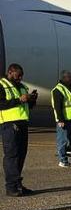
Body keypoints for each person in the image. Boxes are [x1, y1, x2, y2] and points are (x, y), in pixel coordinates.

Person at [0, 63, 37, 196]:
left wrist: (31, 99)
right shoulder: (2, 84)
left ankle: (18, 184)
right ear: (10, 72)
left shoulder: (22, 86)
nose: (20, 78)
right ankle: (11, 187)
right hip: (9, 124)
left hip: (22, 123)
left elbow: (27, 105)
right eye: (18, 75)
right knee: (12, 155)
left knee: (21, 154)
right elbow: (2, 104)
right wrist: (19, 100)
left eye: (21, 76)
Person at [51, 70, 71, 167]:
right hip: (65, 119)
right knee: (63, 141)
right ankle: (63, 160)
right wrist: (60, 120)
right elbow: (57, 106)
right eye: (70, 77)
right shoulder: (58, 90)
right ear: (64, 78)